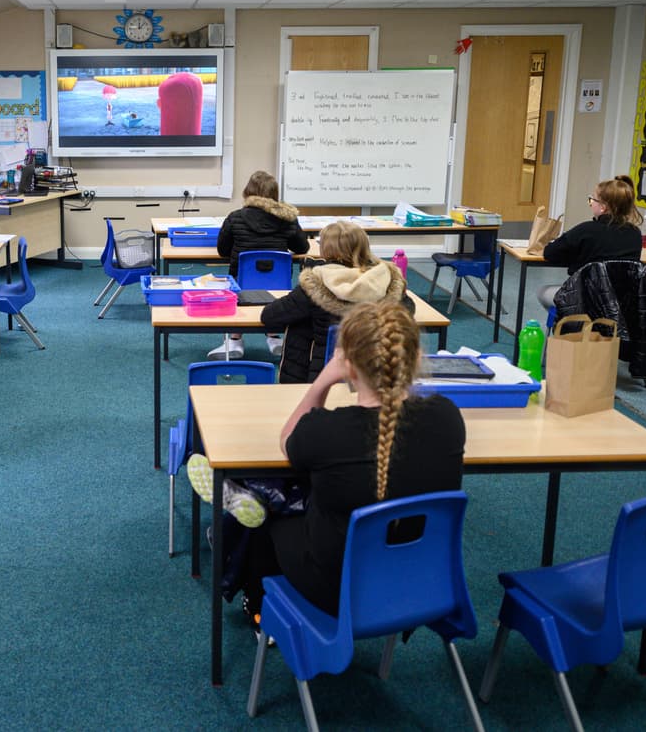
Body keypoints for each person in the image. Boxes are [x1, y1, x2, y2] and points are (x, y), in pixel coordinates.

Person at [196, 301, 465, 631]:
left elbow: (288, 439)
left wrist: (324, 379)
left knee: (270, 517)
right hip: (421, 581)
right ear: (416, 357)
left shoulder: (328, 429)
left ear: (349, 366)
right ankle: (248, 509)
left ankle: (261, 609)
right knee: (318, 485)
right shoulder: (448, 416)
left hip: (338, 588)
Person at [260, 221, 408, 383]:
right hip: (374, 371)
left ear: (326, 249)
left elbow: (270, 316)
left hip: (320, 376)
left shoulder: (315, 283)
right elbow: (406, 314)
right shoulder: (387, 280)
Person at [210, 171, 310, 360]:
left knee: (237, 283)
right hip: (278, 284)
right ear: (275, 195)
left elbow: (222, 251)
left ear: (248, 192)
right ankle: (274, 338)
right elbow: (302, 247)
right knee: (270, 288)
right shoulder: (287, 218)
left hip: (242, 282)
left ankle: (234, 339)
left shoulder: (235, 217)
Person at [538, 174, 643, 308]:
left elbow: (549, 253)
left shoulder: (585, 230)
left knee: (543, 292)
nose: (590, 203)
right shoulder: (635, 233)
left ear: (603, 207)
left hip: (586, 299)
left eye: (592, 200)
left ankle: (569, 326)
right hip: (622, 302)